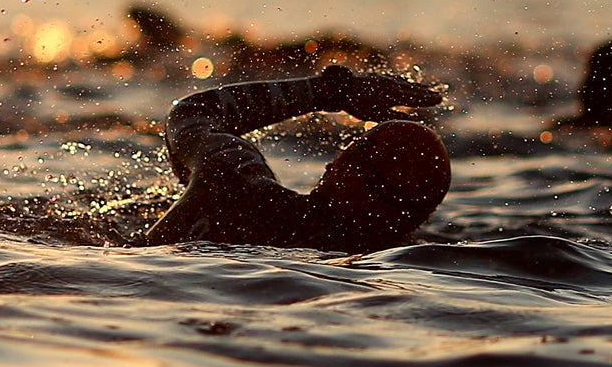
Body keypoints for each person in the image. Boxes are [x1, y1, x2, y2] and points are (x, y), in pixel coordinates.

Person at [142, 63, 449, 252]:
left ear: (339, 168)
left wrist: (329, 91)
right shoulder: (397, 258)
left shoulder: (237, 186)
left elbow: (191, 114)